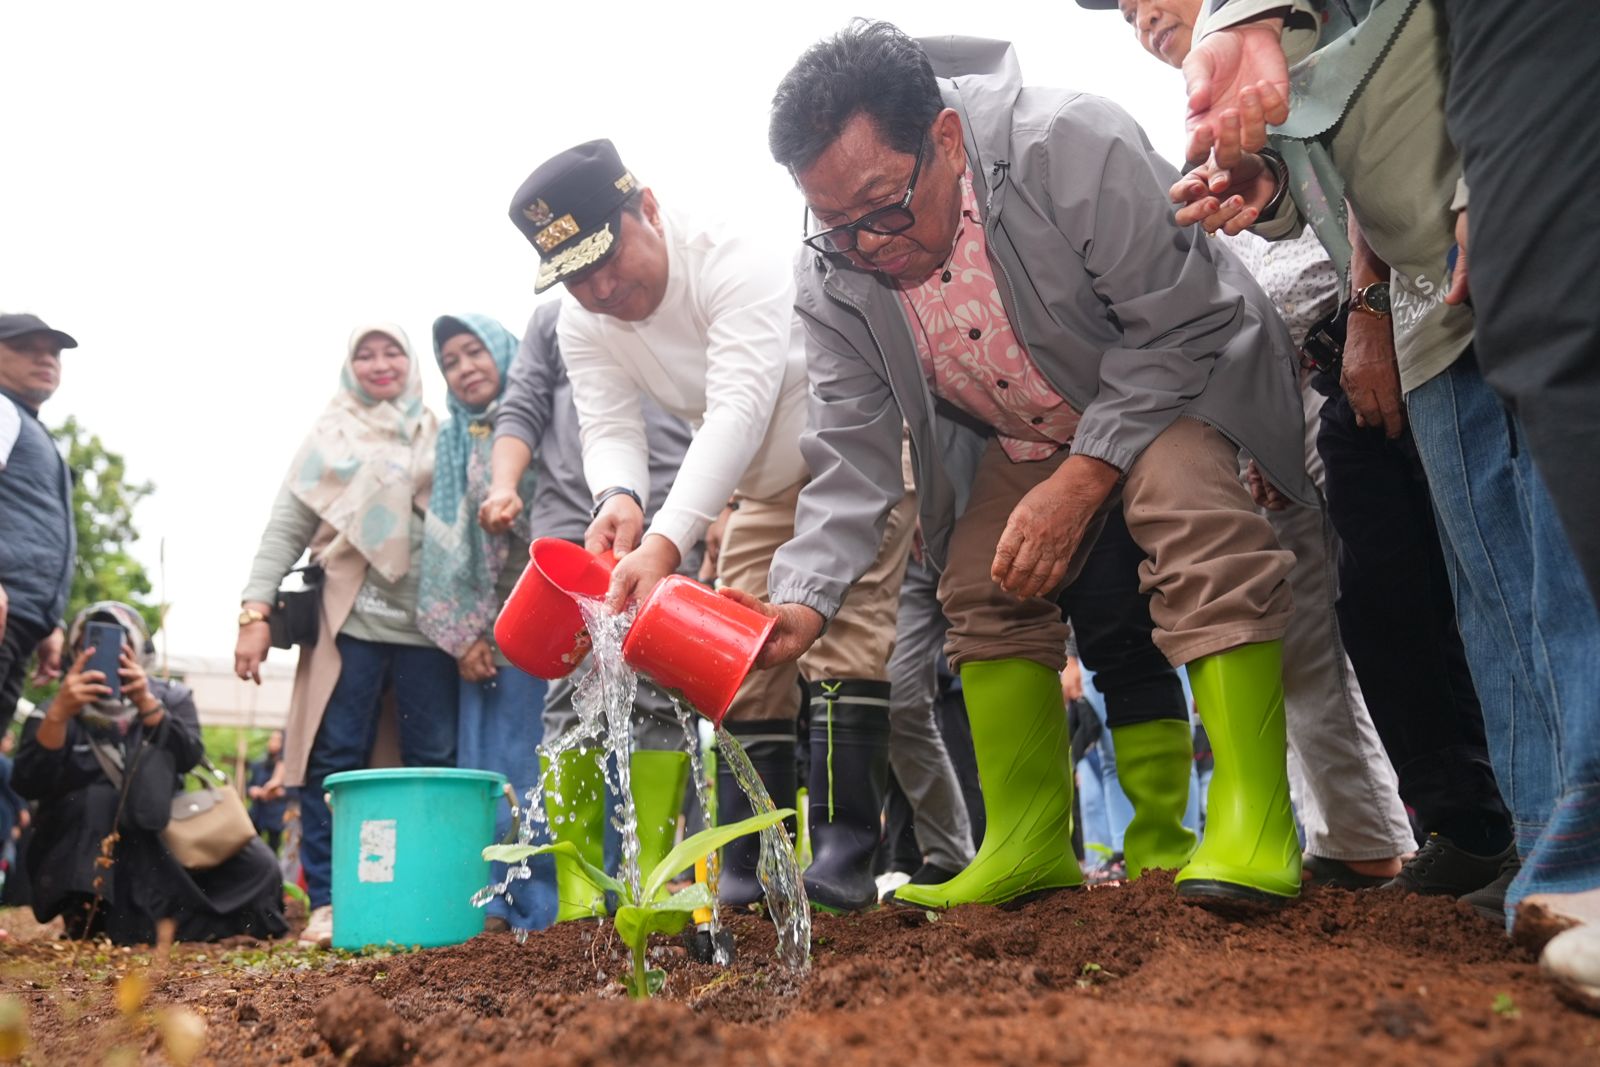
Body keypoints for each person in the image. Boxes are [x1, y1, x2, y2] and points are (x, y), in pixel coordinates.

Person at [755, 22, 1314, 913]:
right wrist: (801, 598)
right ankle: (1027, 837)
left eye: (882, 208)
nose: (867, 246)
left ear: (945, 139)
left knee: (1187, 506)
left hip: (1171, 378)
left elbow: (1178, 324)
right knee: (980, 570)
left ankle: (1255, 818)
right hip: (1027, 430)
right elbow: (851, 449)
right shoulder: (834, 279)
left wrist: (1087, 476)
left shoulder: (1069, 146)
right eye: (835, 225)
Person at [1162, 0, 1600, 972]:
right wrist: (1269, 179)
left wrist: (1492, 179)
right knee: (1492, 592)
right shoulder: (1263, 51)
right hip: (1423, 295)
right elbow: (1335, 153)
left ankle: (1580, 854)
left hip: (1496, 232)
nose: (1141, 14)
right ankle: (1545, 858)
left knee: (1561, 553)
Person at [1085, 0, 1514, 901]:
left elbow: (1373, 182)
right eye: (1123, 16)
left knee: (1471, 581)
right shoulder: (1221, 119)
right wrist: (1267, 191)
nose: (1142, 19)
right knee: (1373, 609)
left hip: (1412, 325)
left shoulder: (1295, 35)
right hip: (1320, 377)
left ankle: (1517, 826)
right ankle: (1449, 828)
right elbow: (1298, 215)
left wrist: (1367, 312)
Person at [505, 140, 918, 912]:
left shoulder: (732, 256)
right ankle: (748, 866)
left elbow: (738, 406)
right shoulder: (582, 320)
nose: (600, 287)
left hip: (849, 454)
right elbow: (608, 422)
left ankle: (842, 858)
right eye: (575, 276)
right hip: (758, 487)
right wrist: (618, 496)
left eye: (607, 257)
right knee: (734, 654)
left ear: (648, 209)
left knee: (845, 637)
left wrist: (665, 542)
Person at [236, 323, 456, 948]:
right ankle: (332, 901)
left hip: (432, 627)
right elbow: (285, 528)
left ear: (412, 363)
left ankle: (427, 895)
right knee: (334, 759)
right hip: (349, 622)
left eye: (393, 352)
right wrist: (253, 612)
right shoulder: (329, 438)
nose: (380, 363)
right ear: (349, 365)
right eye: (366, 353)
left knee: (433, 762)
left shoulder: (442, 434)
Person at [479, 301, 698, 923]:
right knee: (569, 692)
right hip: (574, 524)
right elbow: (522, 406)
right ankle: (578, 893)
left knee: (661, 687)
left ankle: (647, 880)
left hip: (673, 514)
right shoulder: (555, 319)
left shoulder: (679, 302)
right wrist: (504, 485)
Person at [16, 603, 286, 945]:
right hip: (85, 841)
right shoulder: (55, 708)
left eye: (120, 644)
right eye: (90, 645)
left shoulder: (170, 696)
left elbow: (189, 756)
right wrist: (59, 714)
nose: (106, 655)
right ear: (74, 651)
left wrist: (147, 704)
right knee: (97, 800)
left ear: (139, 648)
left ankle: (156, 925)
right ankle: (89, 916)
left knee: (258, 866)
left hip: (159, 826)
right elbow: (29, 782)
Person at [0, 313, 75, 736]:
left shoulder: (27, 424)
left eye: (54, 352)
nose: (45, 359)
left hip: (19, 622)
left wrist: (50, 622)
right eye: (26, 347)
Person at [246, 730, 288, 853]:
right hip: (258, 813)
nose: (273, 743)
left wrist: (279, 792)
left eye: (277, 740)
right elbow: (248, 786)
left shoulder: (287, 766)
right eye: (272, 739)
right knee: (252, 846)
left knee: (273, 847)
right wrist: (252, 790)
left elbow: (292, 791)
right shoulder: (258, 765)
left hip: (276, 815)